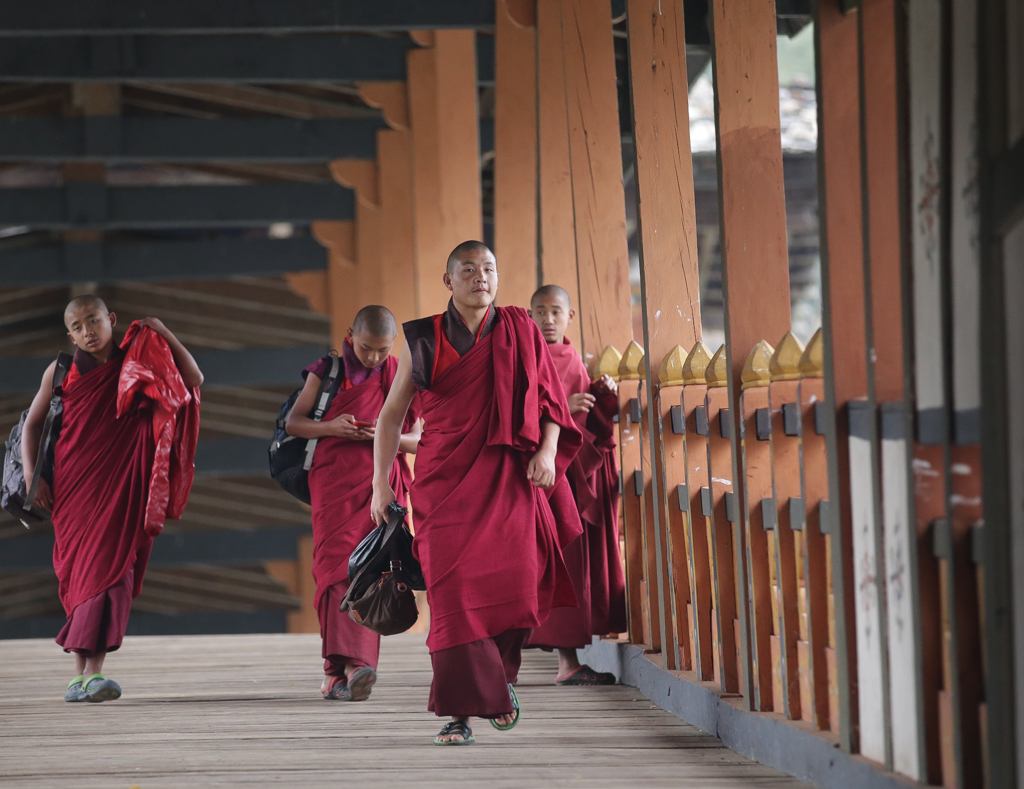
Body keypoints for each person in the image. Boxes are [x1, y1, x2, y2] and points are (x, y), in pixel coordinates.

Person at [370, 241, 583, 746]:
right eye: (469, 270)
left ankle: (499, 682)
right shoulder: (422, 340)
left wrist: (548, 453)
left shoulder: (520, 329)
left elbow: (553, 403)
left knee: (515, 583)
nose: (481, 278)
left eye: (489, 269)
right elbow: (390, 416)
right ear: (449, 281)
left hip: (508, 479)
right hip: (443, 485)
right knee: (451, 596)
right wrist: (381, 482)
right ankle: (461, 713)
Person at [23, 296, 203, 703]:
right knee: (81, 576)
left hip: (125, 487)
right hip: (73, 489)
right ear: (69, 334)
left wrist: (163, 331)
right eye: (78, 326)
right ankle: (79, 677)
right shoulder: (61, 370)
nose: (88, 331)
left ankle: (94, 672)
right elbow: (33, 425)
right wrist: (35, 477)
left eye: (94, 320)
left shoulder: (138, 362)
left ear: (112, 320)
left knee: (113, 573)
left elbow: (193, 379)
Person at [286, 305, 421, 702]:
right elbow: (293, 423)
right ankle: (341, 668)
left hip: (380, 484)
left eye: (382, 350)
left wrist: (383, 433)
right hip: (334, 481)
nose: (374, 358)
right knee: (334, 569)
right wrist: (332, 427)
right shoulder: (326, 372)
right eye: (366, 348)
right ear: (350, 336)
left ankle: (352, 668)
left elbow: (417, 436)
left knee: (373, 566)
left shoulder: (400, 372)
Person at [526, 285, 626, 685]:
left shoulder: (573, 360)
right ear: (529, 317)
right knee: (526, 564)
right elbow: (514, 414)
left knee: (568, 565)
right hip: (533, 474)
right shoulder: (521, 358)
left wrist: (602, 399)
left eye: (555, 312)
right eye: (540, 312)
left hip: (569, 477)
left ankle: (567, 662)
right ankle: (502, 660)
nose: (548, 320)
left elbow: (590, 425)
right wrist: (562, 411)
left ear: (570, 317)